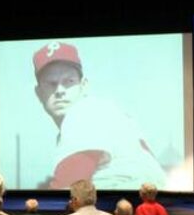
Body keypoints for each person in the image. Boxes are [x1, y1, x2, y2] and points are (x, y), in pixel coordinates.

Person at [32, 41, 166, 190]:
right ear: (39, 93)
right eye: (51, 83)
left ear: (83, 86)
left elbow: (67, 186)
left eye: (69, 81)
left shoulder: (83, 113)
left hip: (123, 202)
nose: (60, 90)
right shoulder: (107, 111)